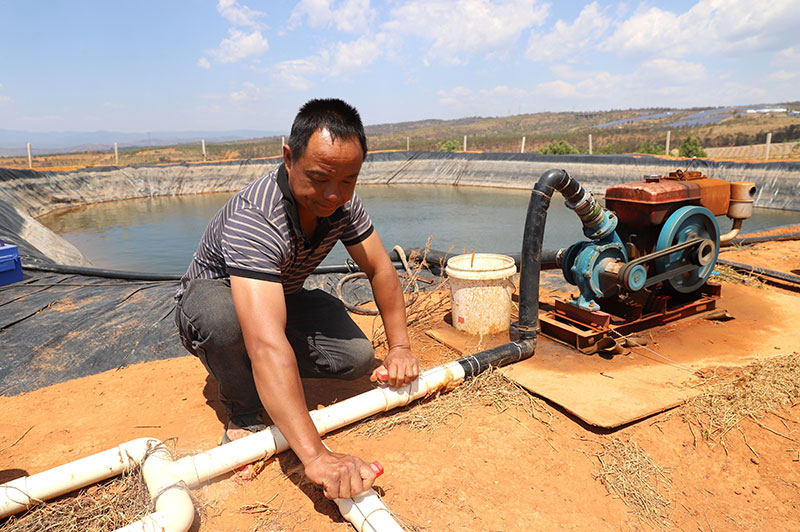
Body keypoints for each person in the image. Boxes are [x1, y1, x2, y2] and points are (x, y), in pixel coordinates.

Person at [174, 98, 419, 499]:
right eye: (320, 178)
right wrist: (316, 456)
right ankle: (244, 412)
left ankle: (271, 383)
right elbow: (267, 344)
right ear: (289, 157)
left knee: (356, 357)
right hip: (210, 302)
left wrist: (400, 347)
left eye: (347, 181)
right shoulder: (255, 217)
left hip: (279, 297)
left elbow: (380, 268)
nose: (332, 194)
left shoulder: (343, 204)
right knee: (227, 322)